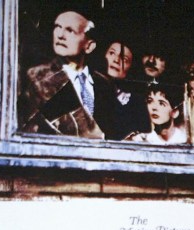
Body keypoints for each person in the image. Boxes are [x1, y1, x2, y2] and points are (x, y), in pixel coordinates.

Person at [17, 6, 113, 138]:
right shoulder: (37, 78)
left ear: (89, 46)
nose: (60, 35)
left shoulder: (104, 83)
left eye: (70, 30)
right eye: (57, 27)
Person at [96, 38, 147, 140]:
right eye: (112, 53)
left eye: (124, 59)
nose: (116, 60)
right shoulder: (87, 86)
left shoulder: (136, 102)